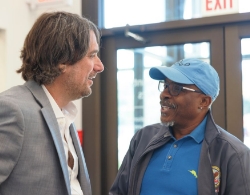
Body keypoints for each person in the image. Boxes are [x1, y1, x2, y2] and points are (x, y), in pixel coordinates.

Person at [109, 58, 250, 195]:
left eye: (176, 88)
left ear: (204, 101)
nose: (164, 94)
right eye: (165, 86)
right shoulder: (143, 138)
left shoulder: (231, 153)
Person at [0, 11, 104, 195]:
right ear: (63, 60)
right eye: (91, 55)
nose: (99, 66)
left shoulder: (64, 115)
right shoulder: (12, 110)